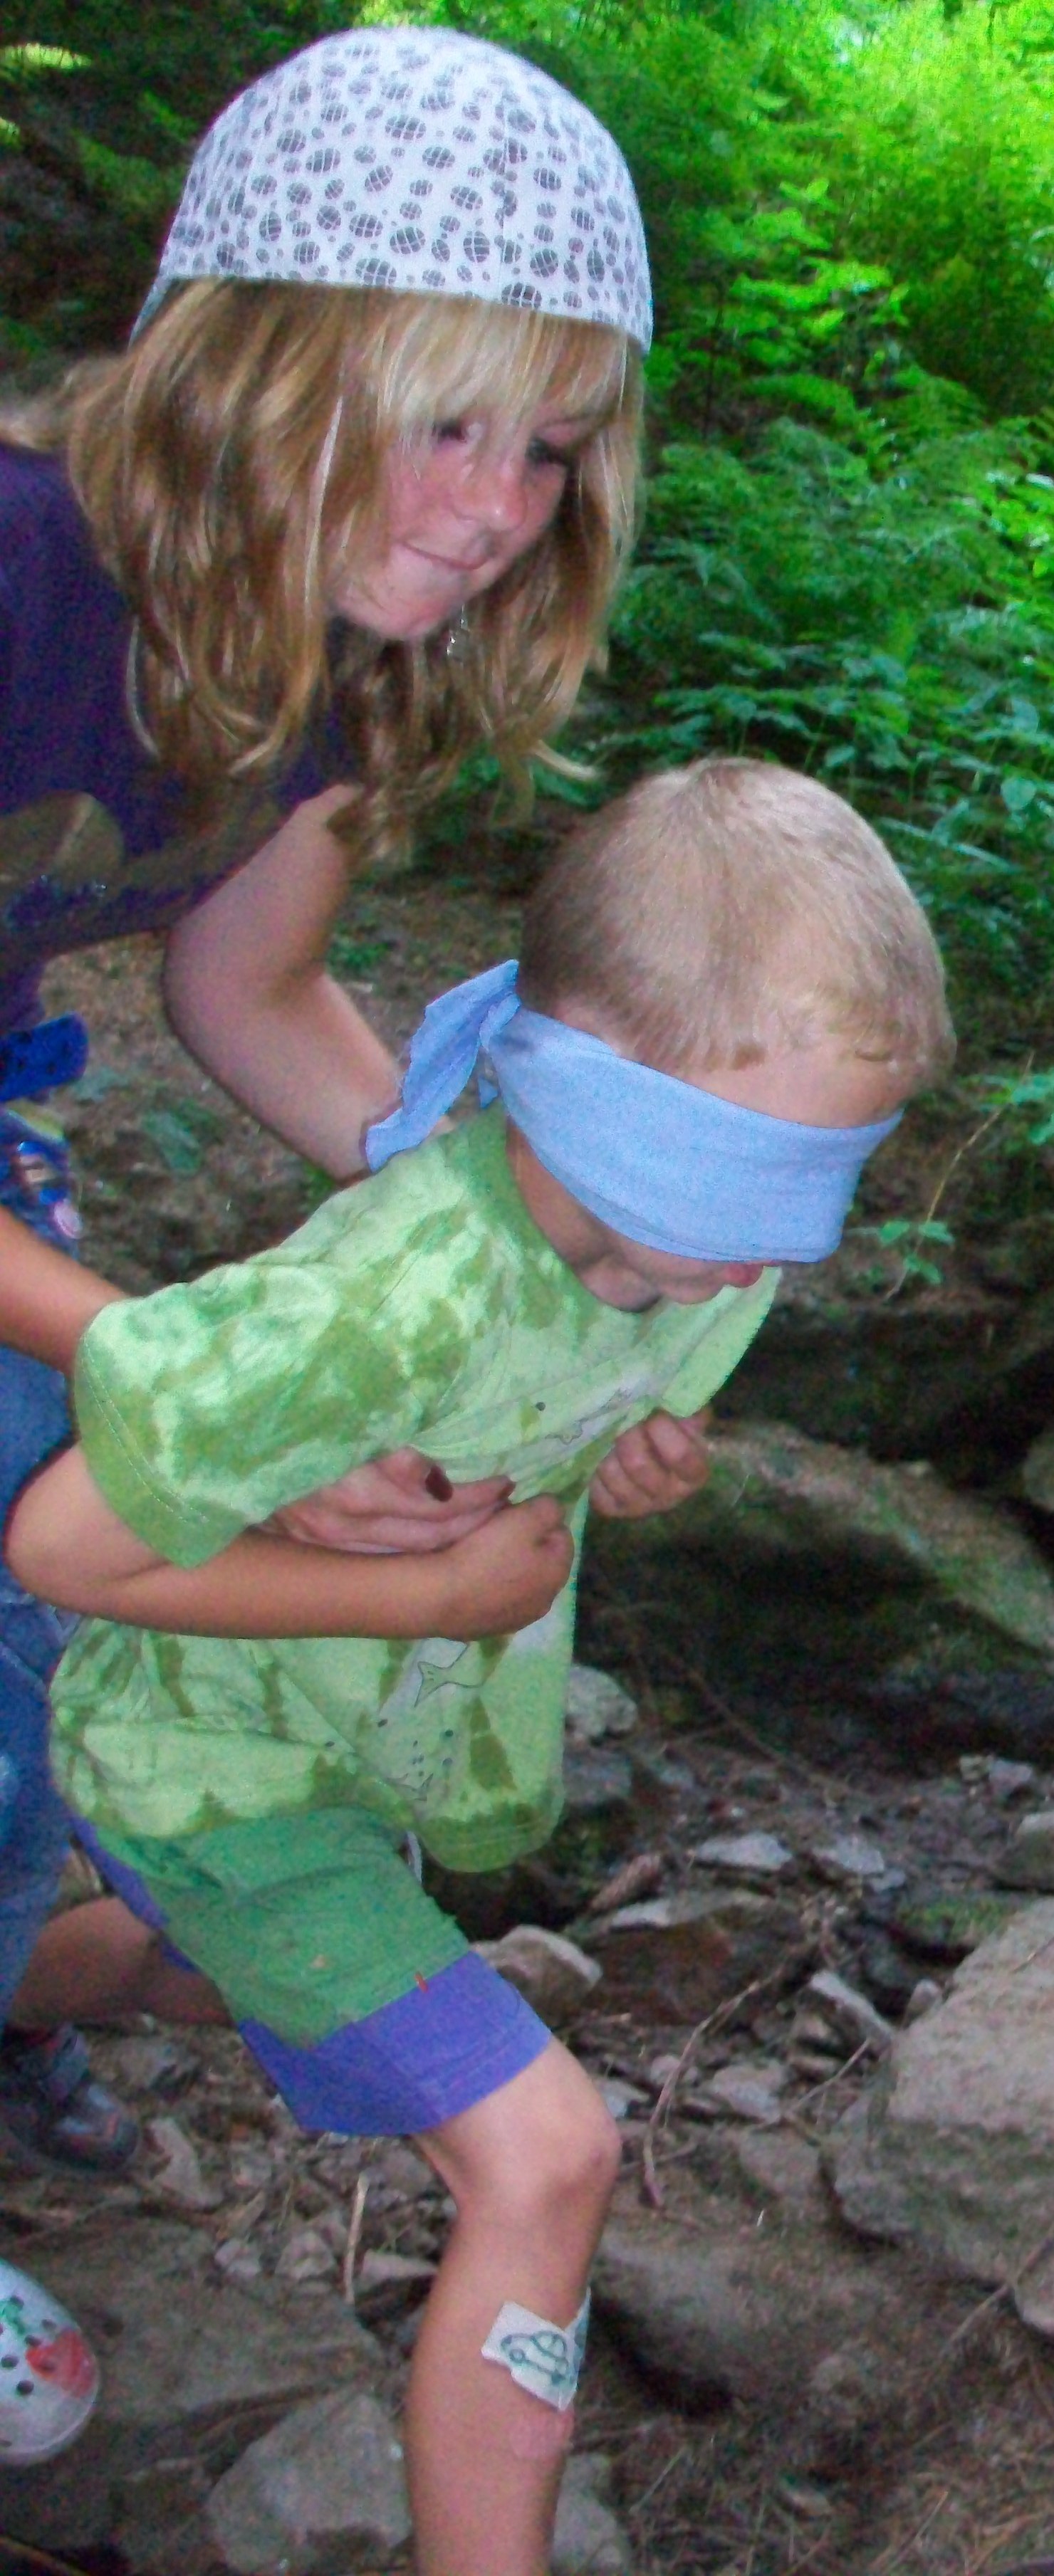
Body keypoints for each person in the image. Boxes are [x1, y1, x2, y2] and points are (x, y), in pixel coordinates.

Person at [7, 758, 954, 2571]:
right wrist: (426, 1598)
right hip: (216, 1771)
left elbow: (592, 1380)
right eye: (750, 1182)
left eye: (822, 1188)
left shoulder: (690, 1260)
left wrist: (630, 1453)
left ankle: (21, 1982)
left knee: (215, 1973)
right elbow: (60, 1550)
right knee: (545, 2158)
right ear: (590, 1103)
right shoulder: (387, 1298)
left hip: (355, 1755)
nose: (777, 1245)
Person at [0, 21, 694, 2206]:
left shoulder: (337, 633)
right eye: (441, 422)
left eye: (551, 448)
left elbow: (254, 985)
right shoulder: (18, 567)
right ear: (250, 363)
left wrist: (520, 1257)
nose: (495, 512)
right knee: (63, 1531)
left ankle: (37, 1966)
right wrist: (179, 1371)